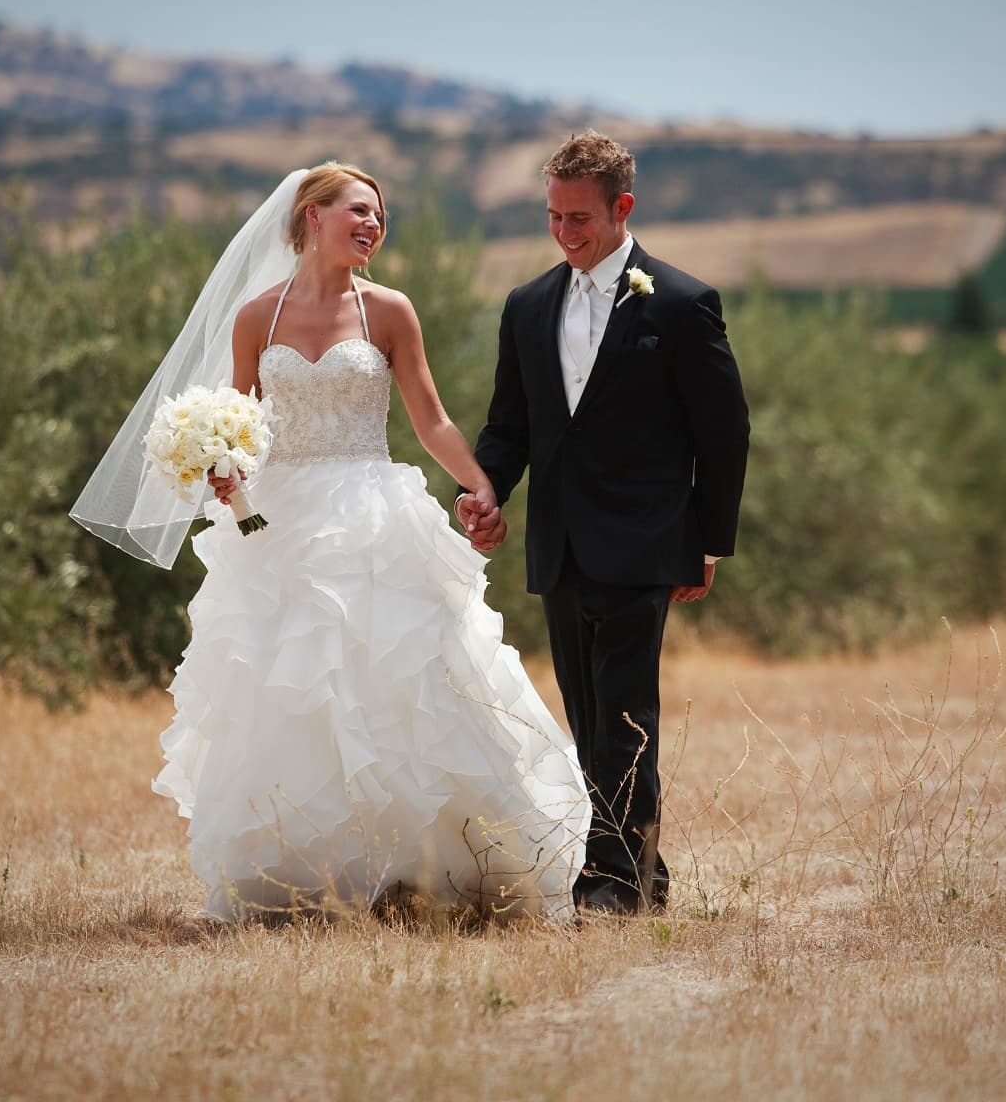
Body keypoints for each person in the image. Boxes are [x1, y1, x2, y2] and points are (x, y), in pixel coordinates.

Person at [72, 163, 588, 922]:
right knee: (292, 696)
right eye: (359, 211)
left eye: (379, 216)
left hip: (374, 513)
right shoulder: (255, 318)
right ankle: (306, 874)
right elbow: (238, 428)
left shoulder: (388, 310)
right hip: (277, 528)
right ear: (312, 215)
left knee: (399, 683)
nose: (374, 225)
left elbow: (432, 420)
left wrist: (481, 488)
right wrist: (226, 475)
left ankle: (425, 871)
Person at [458, 132, 750, 916]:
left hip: (646, 542)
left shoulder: (685, 304)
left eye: (579, 217)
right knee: (587, 720)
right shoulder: (525, 308)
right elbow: (509, 426)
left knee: (625, 713)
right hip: (559, 545)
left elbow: (723, 434)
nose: (564, 232)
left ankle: (613, 881)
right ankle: (639, 872)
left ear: (623, 208)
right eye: (553, 216)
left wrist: (707, 542)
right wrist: (485, 492)